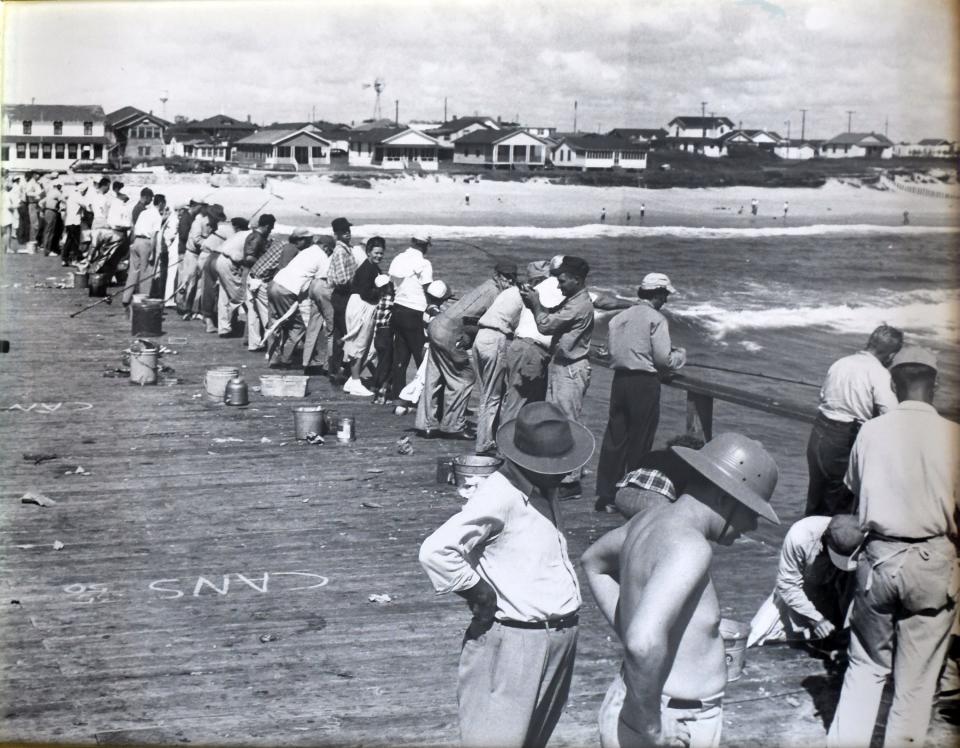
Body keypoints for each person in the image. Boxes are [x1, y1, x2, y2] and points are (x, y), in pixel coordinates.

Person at [582, 433, 780, 748]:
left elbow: (594, 562)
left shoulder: (649, 518)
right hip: (670, 721)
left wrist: (628, 625)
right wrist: (653, 729)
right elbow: (643, 644)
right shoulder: (690, 546)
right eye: (752, 512)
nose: (753, 526)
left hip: (637, 700)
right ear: (725, 497)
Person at [419, 401, 596, 748]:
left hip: (556, 637)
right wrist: (478, 592)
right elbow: (436, 550)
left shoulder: (545, 488)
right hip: (515, 642)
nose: (563, 472)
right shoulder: (500, 494)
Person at [827, 346, 959, 748]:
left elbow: (852, 493)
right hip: (932, 563)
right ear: (934, 386)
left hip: (878, 561)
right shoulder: (953, 435)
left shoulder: (870, 430)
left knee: (866, 668)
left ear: (892, 383)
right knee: (916, 683)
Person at [594, 272, 686, 513]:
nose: (666, 300)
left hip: (620, 381)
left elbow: (614, 351)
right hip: (644, 383)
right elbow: (663, 360)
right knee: (640, 441)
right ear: (657, 294)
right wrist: (680, 355)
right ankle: (631, 495)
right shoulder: (656, 319)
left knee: (615, 439)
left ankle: (606, 495)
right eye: (664, 295)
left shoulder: (620, 317)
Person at [804, 324, 902, 517]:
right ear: (891, 356)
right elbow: (891, 414)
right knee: (839, 509)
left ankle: (802, 544)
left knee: (815, 502)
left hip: (818, 436)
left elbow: (823, 396)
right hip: (845, 441)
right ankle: (827, 546)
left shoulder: (840, 363)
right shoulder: (879, 373)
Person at [519, 255, 594, 499]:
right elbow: (551, 317)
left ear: (576, 280)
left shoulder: (578, 304)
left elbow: (546, 326)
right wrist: (535, 304)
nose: (559, 285)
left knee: (568, 423)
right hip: (562, 366)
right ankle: (560, 474)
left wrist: (536, 302)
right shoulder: (572, 300)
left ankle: (571, 482)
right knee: (557, 421)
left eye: (562, 281)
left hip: (571, 369)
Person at [416, 260, 517, 439]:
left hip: (437, 325)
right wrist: (468, 336)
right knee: (463, 377)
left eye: (512, 278)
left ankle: (426, 425)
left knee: (434, 376)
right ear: (498, 276)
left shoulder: (486, 286)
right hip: (448, 332)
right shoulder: (495, 293)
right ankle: (453, 425)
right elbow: (479, 320)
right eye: (506, 278)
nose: (510, 282)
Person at [747, 514, 865, 648]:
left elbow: (861, 587)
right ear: (824, 541)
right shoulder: (800, 535)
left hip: (841, 585)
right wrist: (816, 619)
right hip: (805, 586)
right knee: (759, 635)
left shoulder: (864, 537)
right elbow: (788, 585)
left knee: (850, 636)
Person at [471, 266, 527, 454]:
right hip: (495, 338)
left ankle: (486, 436)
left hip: (480, 337)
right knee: (493, 396)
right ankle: (484, 442)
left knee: (485, 393)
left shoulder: (505, 293)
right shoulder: (522, 296)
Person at [499, 260, 554, 427]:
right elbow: (598, 301)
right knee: (520, 403)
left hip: (522, 347)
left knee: (519, 401)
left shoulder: (529, 292)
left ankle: (515, 447)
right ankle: (506, 448)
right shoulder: (552, 286)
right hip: (532, 351)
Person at [267, 233, 327, 368]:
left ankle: (273, 357)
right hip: (287, 289)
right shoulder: (323, 257)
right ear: (327, 248)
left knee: (275, 322)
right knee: (297, 325)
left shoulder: (307, 251)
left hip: (275, 283)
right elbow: (320, 284)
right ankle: (285, 359)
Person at [610, 433, 704, 517]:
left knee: (635, 522)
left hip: (623, 495)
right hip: (653, 501)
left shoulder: (652, 455)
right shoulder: (686, 465)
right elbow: (684, 493)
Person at [249, 226, 311, 353]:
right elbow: (284, 269)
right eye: (309, 240)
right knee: (275, 320)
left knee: (259, 316)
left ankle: (265, 348)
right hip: (264, 282)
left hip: (255, 278)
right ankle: (276, 352)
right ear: (301, 240)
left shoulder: (283, 244)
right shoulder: (291, 249)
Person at [389, 235, 434, 399]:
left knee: (400, 356)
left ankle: (397, 395)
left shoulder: (398, 259)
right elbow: (428, 288)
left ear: (412, 242)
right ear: (425, 246)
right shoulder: (424, 263)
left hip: (398, 309)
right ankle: (422, 397)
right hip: (415, 313)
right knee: (420, 357)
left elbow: (391, 284)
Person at [342, 236, 386, 396]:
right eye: (376, 253)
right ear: (368, 252)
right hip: (360, 306)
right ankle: (354, 381)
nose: (379, 256)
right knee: (358, 344)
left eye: (381, 253)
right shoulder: (367, 268)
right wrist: (382, 291)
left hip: (365, 306)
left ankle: (352, 380)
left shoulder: (373, 268)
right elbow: (366, 292)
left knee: (368, 345)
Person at [326, 217, 358, 383]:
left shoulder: (346, 249)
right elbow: (342, 280)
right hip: (342, 295)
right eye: (344, 231)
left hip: (342, 295)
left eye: (348, 230)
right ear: (337, 233)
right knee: (345, 333)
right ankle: (340, 369)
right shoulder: (340, 252)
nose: (348, 233)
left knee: (341, 333)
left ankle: (337, 369)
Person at [211, 217, 253, 336]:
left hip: (219, 259)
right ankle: (250, 329)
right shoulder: (249, 235)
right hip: (229, 263)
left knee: (224, 296)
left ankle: (224, 328)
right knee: (241, 295)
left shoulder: (238, 235)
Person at [123, 193, 165, 306]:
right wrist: (152, 252)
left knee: (133, 271)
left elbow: (134, 228)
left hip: (136, 241)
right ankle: (143, 300)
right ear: (161, 204)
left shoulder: (144, 212)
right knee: (146, 273)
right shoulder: (157, 216)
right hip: (146, 243)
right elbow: (154, 236)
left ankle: (126, 298)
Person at [371, 275, 395, 404]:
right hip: (386, 333)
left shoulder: (378, 300)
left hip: (378, 335)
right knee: (387, 364)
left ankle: (378, 392)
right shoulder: (388, 299)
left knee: (381, 363)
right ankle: (382, 390)